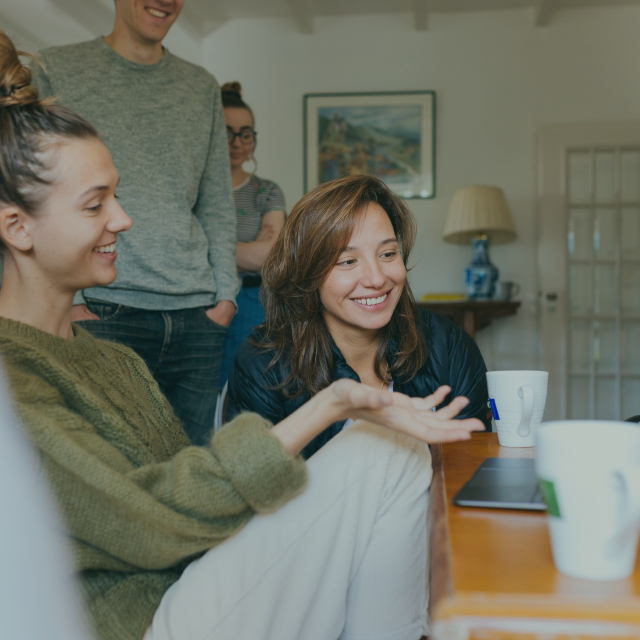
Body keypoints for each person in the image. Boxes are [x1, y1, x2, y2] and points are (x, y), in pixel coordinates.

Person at [0, 34, 484, 640]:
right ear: (16, 226)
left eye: (388, 254)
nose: (123, 219)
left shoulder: (110, 359)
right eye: (97, 204)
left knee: (385, 450)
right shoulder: (12, 380)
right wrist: (332, 404)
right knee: (383, 450)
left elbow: (196, 491)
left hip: (192, 586)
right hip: (146, 624)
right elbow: (156, 521)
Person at [30, 0, 238, 446]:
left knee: (192, 472)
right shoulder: (56, 69)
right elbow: (32, 193)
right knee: (110, 474)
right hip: (100, 311)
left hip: (198, 317)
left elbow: (217, 202)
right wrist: (73, 298)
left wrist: (225, 296)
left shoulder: (201, 87)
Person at [227, 174, 492, 458]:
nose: (376, 279)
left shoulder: (449, 346)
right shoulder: (265, 362)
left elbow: (470, 472)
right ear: (307, 274)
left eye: (388, 254)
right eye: (347, 261)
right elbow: (251, 486)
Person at [218, 82, 286, 386]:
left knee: (246, 391)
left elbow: (271, 255)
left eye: (245, 133)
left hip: (252, 301)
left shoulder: (267, 191)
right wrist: (246, 252)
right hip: (199, 302)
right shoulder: (192, 192)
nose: (236, 142)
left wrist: (209, 251)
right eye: (226, 131)